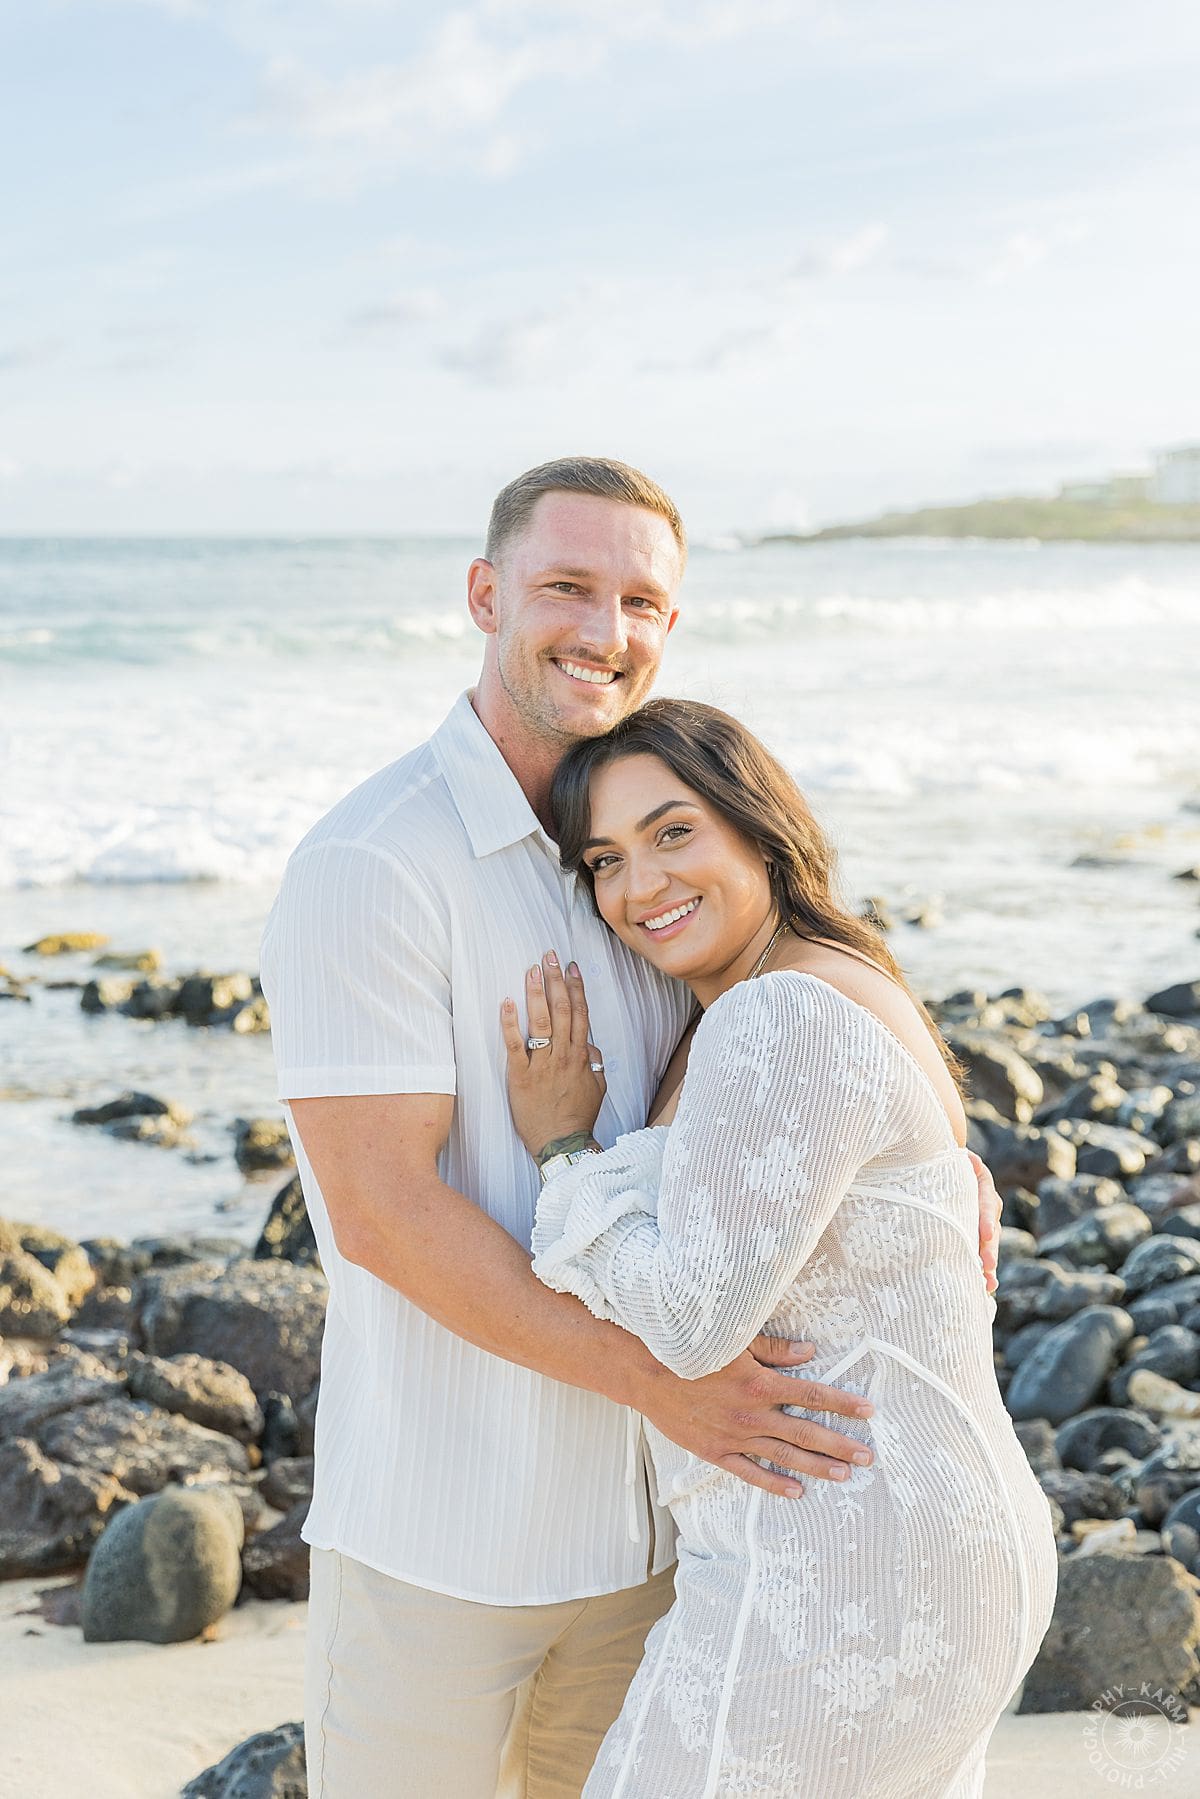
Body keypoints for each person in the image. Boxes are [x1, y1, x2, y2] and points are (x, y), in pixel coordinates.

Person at [260, 456, 1002, 1797]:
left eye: (642, 599)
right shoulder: (371, 864)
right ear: (487, 593)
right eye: (566, 587)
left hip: (667, 1536)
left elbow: (792, 1033)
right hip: (450, 1539)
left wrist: (929, 1162)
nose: (605, 630)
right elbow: (381, 1209)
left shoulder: (651, 858)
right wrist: (667, 1383)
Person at [502, 698, 1057, 1798]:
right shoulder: (821, 988)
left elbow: (696, 1321)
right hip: (917, 1539)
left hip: (848, 1558)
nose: (640, 885)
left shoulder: (780, 1012)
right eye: (605, 859)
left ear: (758, 826)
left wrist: (564, 1148)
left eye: (674, 833)